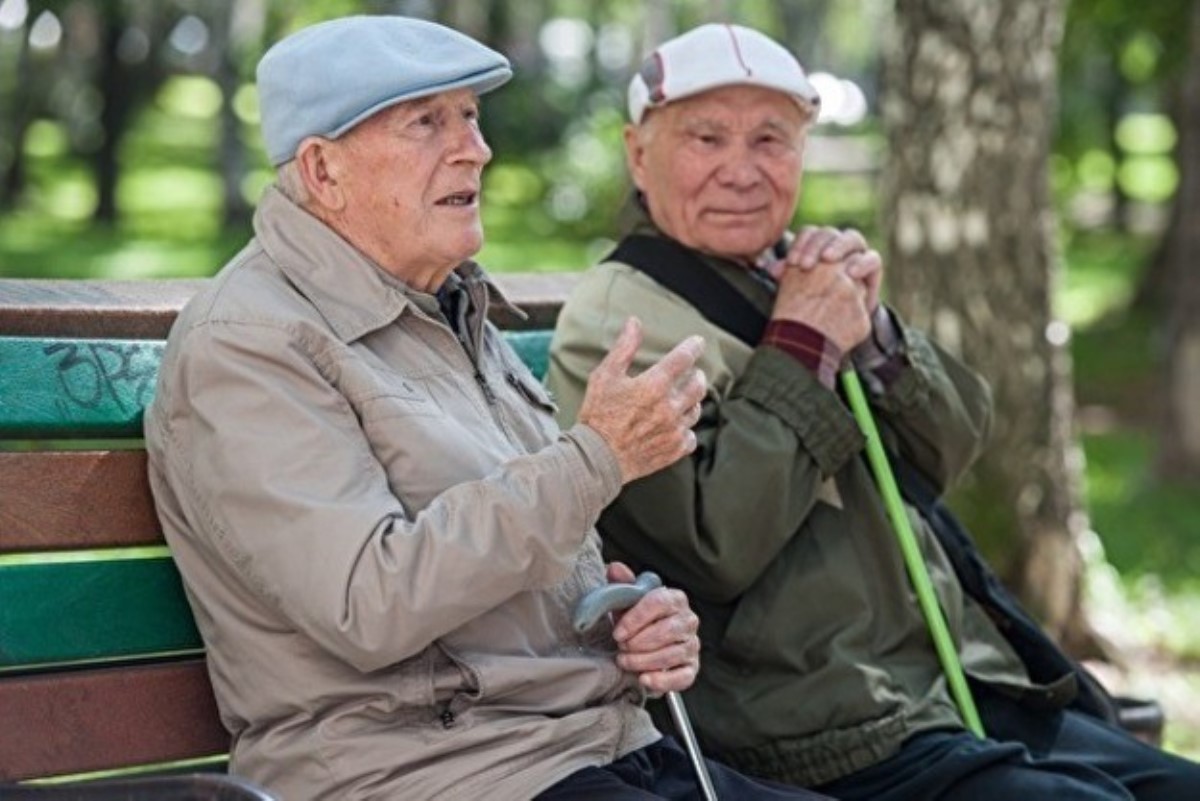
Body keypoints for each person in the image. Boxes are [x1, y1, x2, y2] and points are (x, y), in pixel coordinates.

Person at [144, 15, 838, 801]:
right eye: (426, 122)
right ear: (323, 171)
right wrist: (594, 458)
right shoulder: (249, 346)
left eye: (470, 116)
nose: (475, 148)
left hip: (584, 745)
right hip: (425, 773)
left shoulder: (442, 304)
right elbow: (369, 603)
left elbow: (510, 554)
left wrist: (629, 620)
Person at [546, 22, 1200, 801]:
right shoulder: (616, 320)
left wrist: (875, 337)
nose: (741, 170)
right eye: (706, 138)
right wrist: (801, 342)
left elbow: (955, 450)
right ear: (636, 153)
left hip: (951, 680)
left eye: (771, 139)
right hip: (811, 724)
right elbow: (712, 546)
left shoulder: (785, 273)